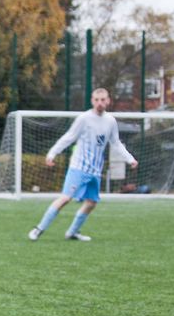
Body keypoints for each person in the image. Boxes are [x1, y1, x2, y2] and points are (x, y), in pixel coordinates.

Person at [28, 88, 138, 242]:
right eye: (96, 100)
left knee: (91, 202)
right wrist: (52, 153)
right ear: (92, 101)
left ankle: (72, 232)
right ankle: (39, 229)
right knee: (65, 198)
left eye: (103, 100)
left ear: (108, 101)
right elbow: (69, 137)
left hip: (95, 170)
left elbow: (116, 143)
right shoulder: (84, 118)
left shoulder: (110, 121)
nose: (100, 103)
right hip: (78, 168)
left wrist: (130, 159)